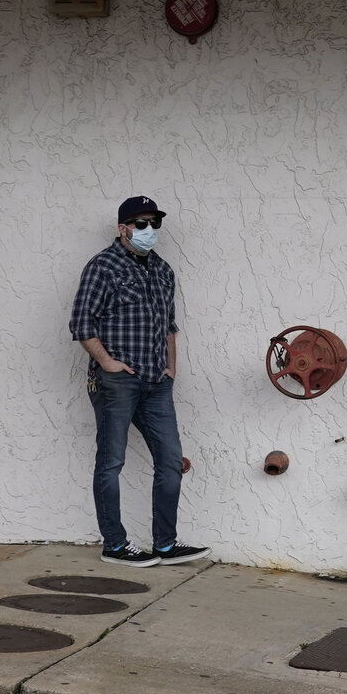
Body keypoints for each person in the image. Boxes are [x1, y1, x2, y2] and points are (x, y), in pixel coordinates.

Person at [69, 196, 208, 568]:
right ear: (123, 228)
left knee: (170, 460)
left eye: (154, 223)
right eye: (141, 223)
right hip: (117, 383)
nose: (149, 230)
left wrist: (171, 368)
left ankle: (165, 544)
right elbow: (82, 322)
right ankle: (115, 544)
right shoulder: (103, 266)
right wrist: (107, 363)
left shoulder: (162, 271)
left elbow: (169, 325)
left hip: (156, 382)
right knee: (111, 461)